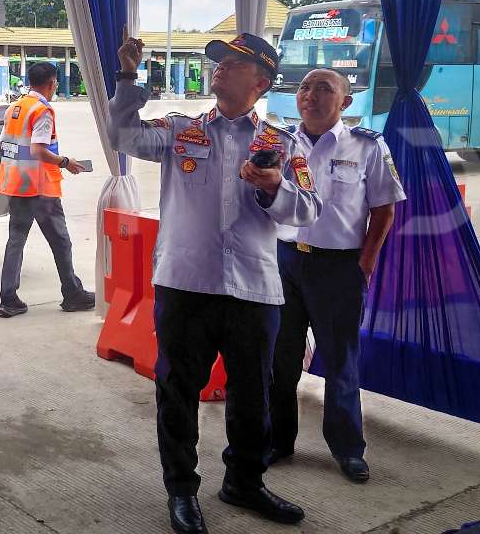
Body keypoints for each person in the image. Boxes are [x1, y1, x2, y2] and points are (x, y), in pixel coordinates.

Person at [107, 32, 322, 534]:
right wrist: (126, 78)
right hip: (186, 283)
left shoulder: (282, 143)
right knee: (177, 391)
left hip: (253, 289)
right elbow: (122, 136)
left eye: (233, 63)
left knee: (253, 395)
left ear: (261, 81)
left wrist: (274, 188)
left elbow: (309, 210)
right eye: (219, 61)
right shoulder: (181, 130)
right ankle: (181, 490)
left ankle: (244, 482)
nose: (220, 68)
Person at [269, 68, 405, 483]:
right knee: (280, 358)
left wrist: (364, 264)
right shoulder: (278, 143)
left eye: (324, 89)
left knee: (341, 360)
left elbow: (384, 208)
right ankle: (277, 439)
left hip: (338, 268)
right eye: (304, 88)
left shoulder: (367, 146)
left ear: (345, 101)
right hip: (284, 261)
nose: (310, 95)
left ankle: (348, 448)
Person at [0, 61, 95, 317]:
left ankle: (8, 299)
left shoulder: (15, 107)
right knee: (61, 242)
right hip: (40, 187)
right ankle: (72, 294)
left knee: (16, 240)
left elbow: (4, 144)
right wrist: (65, 162)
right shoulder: (42, 111)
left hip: (16, 183)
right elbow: (39, 150)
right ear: (51, 83)